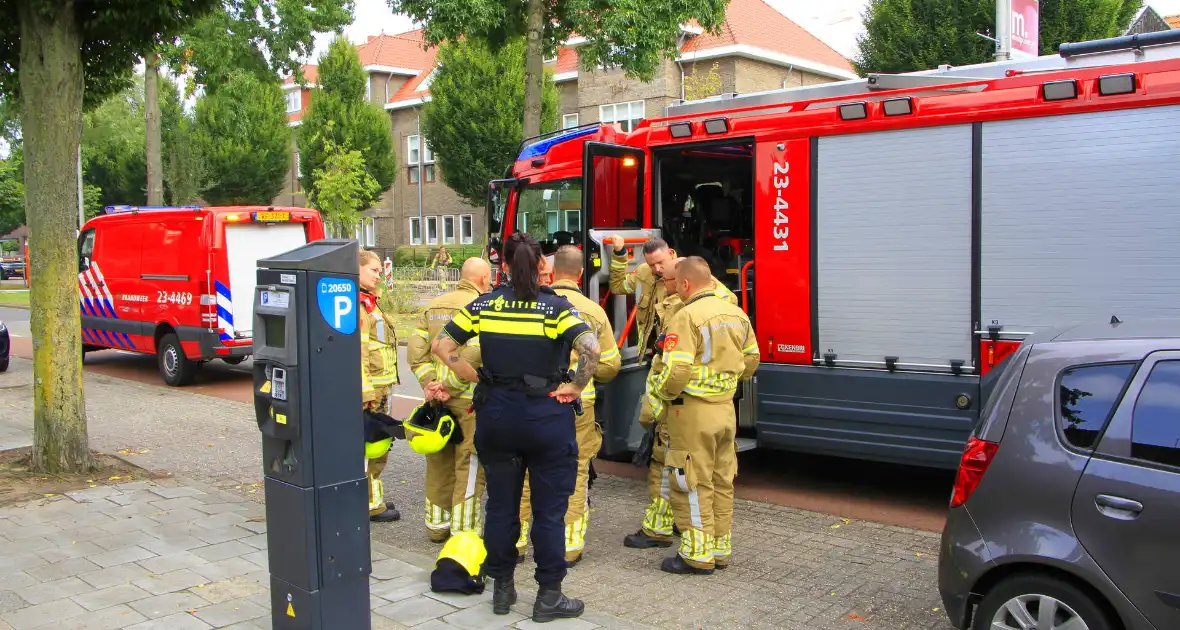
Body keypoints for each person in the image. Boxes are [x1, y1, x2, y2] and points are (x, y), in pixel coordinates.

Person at [431, 232, 601, 623]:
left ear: (503, 266)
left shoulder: (484, 305)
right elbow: (590, 348)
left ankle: (503, 590)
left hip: (497, 416)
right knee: (548, 513)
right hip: (546, 419)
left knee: (502, 507)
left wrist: (470, 374)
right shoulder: (556, 309)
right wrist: (575, 384)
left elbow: (442, 345)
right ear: (543, 266)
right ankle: (548, 596)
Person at [652, 256, 759, 575]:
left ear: (685, 284)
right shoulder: (737, 313)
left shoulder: (686, 317)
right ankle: (719, 548)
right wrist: (723, 382)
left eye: (676, 284)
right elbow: (752, 361)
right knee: (722, 480)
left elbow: (676, 371)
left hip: (692, 413)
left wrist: (664, 394)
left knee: (691, 482)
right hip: (726, 411)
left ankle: (697, 554)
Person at [516, 245, 621, 566]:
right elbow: (610, 365)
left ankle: (516, 541)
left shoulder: (529, 304)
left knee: (524, 472)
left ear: (549, 270)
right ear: (579, 274)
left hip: (530, 405)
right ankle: (568, 546)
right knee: (573, 474)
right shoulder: (593, 311)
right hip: (576, 409)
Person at [407, 257, 492, 542]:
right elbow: (475, 355)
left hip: (437, 403)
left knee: (438, 462)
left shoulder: (432, 306)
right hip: (467, 402)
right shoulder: (480, 308)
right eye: (489, 278)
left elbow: (416, 350)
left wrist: (430, 384)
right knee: (468, 465)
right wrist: (450, 386)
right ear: (482, 280)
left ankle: (436, 526)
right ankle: (464, 531)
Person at [623, 257, 687, 550]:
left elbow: (670, 368)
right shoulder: (726, 305)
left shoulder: (683, 314)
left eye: (669, 282)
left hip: (678, 406)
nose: (665, 285)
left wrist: (653, 407)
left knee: (663, 463)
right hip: (712, 407)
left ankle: (659, 528)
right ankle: (694, 532)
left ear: (683, 282)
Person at [607, 235, 738, 358]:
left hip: (684, 352)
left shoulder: (689, 269)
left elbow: (729, 299)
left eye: (660, 262)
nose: (657, 269)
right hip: (654, 354)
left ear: (670, 253)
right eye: (651, 264)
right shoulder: (644, 272)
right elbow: (617, 286)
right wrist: (619, 254)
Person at [359, 249, 401, 523]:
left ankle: (373, 495)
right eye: (373, 270)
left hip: (381, 386)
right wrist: (365, 392)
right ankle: (370, 503)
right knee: (371, 446)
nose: (378, 275)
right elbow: (358, 351)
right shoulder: (359, 305)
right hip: (373, 389)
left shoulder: (370, 302)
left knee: (379, 446)